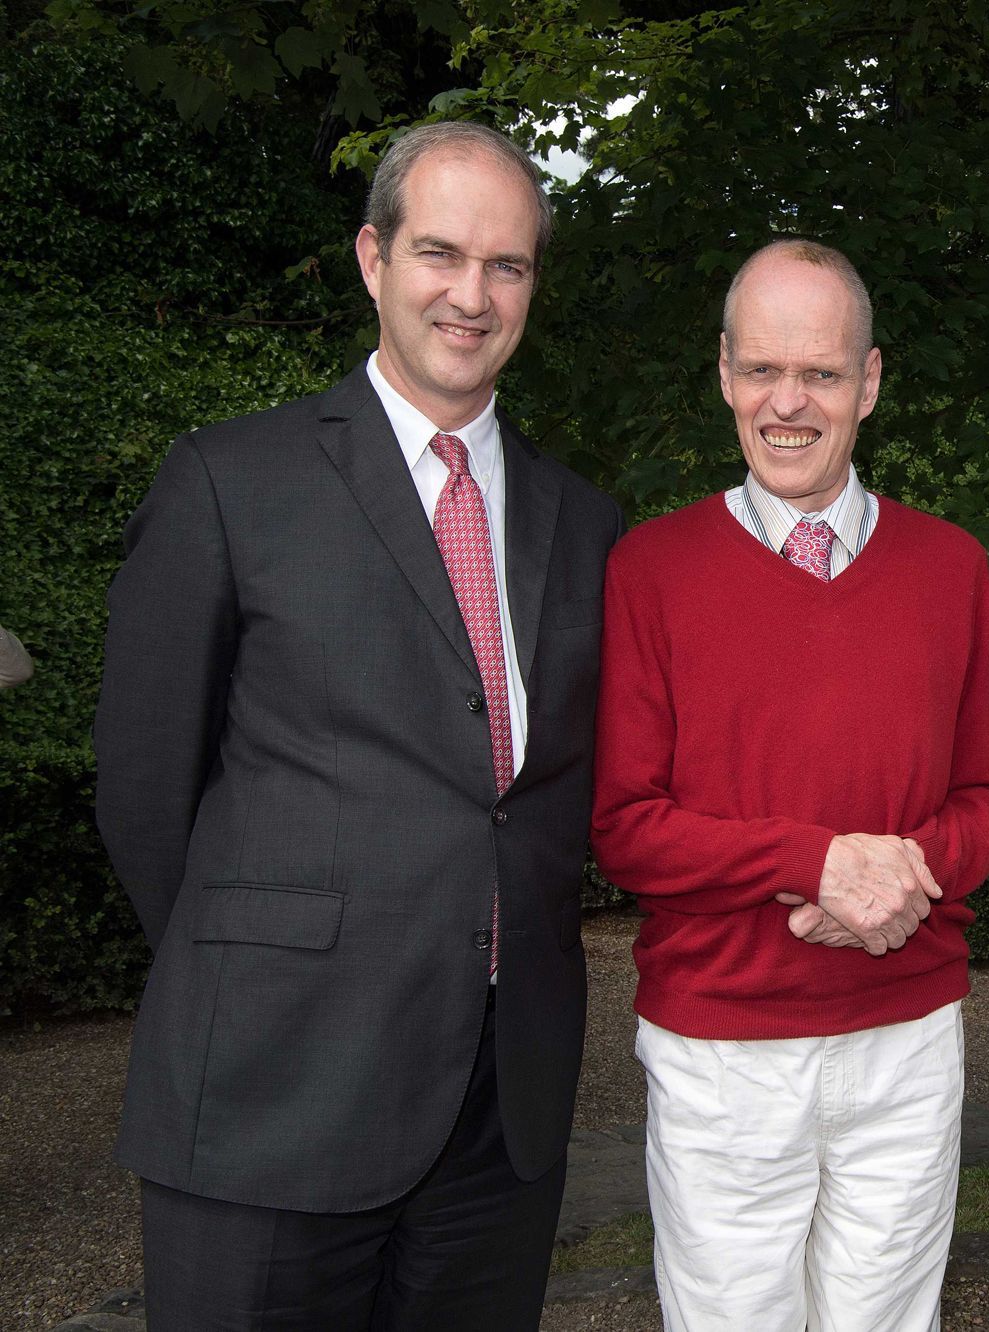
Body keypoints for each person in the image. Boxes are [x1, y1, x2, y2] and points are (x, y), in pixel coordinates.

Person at [94, 122, 624, 1330]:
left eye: (509, 265)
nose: (472, 294)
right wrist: (265, 966)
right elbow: (141, 787)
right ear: (372, 258)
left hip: (502, 1111)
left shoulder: (581, 522)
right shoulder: (229, 482)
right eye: (441, 253)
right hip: (271, 1092)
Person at [591, 237, 989, 1332]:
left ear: (868, 383)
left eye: (821, 373)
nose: (789, 402)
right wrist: (813, 861)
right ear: (724, 372)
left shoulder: (949, 567)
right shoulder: (651, 568)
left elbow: (984, 802)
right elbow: (627, 830)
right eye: (762, 370)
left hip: (904, 1040)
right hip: (721, 1054)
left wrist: (896, 880)